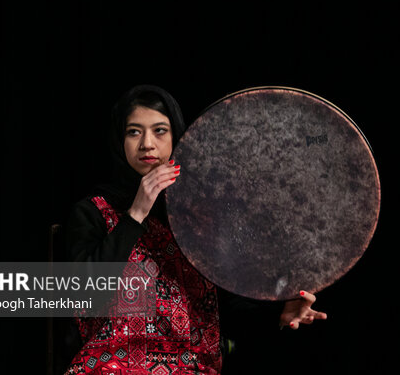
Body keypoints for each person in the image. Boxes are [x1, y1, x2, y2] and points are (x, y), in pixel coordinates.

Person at [62, 85, 327, 374]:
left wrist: (279, 313)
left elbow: (224, 308)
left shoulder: (199, 216)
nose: (147, 144)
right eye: (134, 132)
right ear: (119, 140)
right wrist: (136, 214)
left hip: (190, 366)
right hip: (112, 364)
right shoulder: (93, 212)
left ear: (177, 137)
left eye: (160, 131)